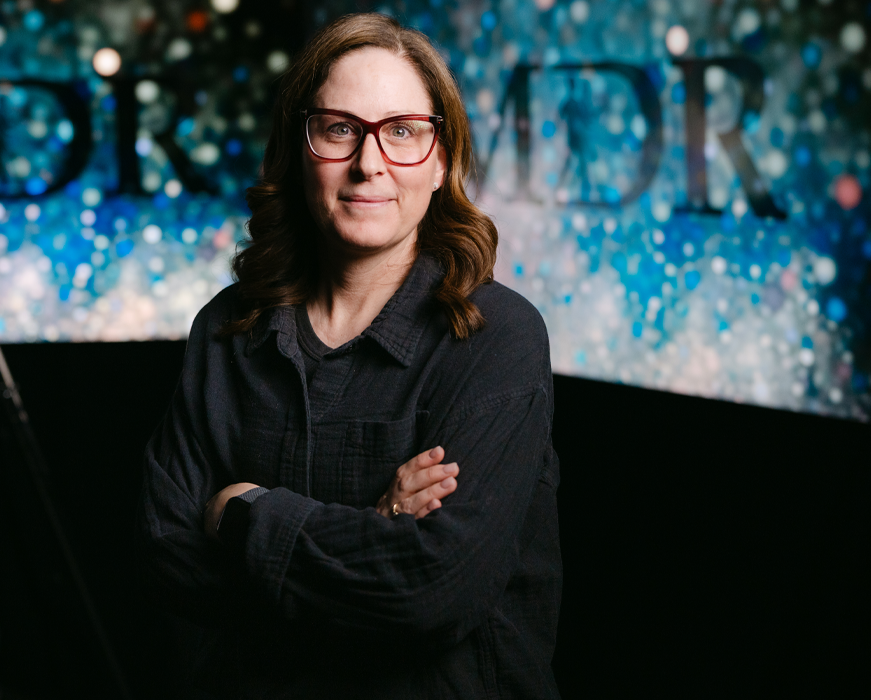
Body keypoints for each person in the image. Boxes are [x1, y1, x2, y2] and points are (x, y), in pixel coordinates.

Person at [140, 13, 561, 699]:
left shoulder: (497, 337)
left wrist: (241, 513)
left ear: (442, 160)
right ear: (299, 148)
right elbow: (165, 555)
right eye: (340, 129)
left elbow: (430, 592)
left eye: (403, 132)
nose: (370, 164)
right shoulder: (225, 330)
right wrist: (375, 528)